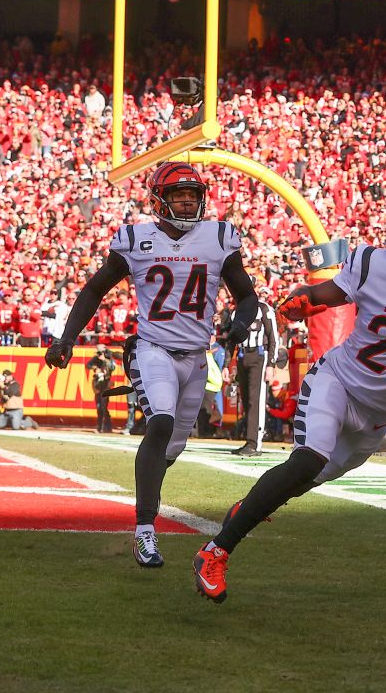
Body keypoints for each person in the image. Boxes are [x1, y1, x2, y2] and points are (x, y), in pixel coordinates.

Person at [191, 193, 386, 603]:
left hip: (377, 418)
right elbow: (325, 294)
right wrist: (303, 301)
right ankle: (215, 552)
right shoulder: (372, 265)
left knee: (299, 483)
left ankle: (247, 510)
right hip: (338, 383)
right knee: (308, 458)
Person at [45, 161, 259, 568]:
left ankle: (148, 500)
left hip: (196, 357)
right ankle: (145, 530)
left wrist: (239, 325)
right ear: (158, 200)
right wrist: (67, 338)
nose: (186, 203)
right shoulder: (135, 240)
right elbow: (94, 289)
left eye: (192, 196)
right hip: (153, 348)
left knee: (172, 446)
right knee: (159, 422)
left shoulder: (218, 238)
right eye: (178, 196)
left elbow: (246, 296)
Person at [230, 290, 286, 456]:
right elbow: (232, 338)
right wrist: (228, 364)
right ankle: (249, 439)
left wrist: (271, 364)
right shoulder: (236, 311)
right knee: (247, 399)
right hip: (242, 355)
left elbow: (273, 336)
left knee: (256, 399)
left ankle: (254, 443)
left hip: (259, 356)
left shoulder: (264, 309)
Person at [86, 344, 117, 433]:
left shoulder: (109, 357)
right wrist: (95, 368)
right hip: (98, 384)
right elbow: (88, 365)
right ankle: (103, 426)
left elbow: (112, 367)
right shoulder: (96, 358)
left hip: (106, 384)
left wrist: (105, 360)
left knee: (103, 406)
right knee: (99, 406)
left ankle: (104, 426)